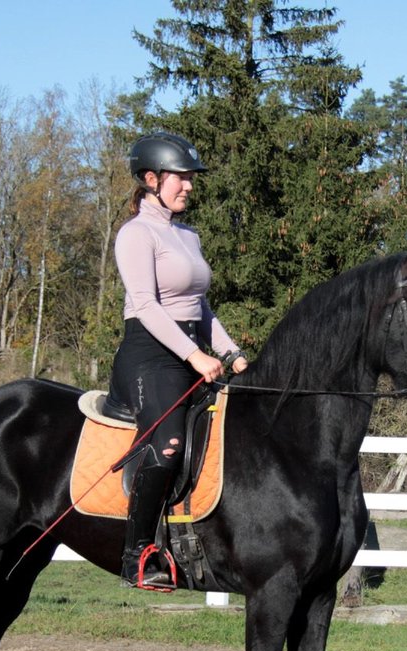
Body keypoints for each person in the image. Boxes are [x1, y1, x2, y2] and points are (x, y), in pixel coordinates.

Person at [107, 132, 249, 590]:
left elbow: (200, 309)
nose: (189, 185)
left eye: (190, 178)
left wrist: (231, 353)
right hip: (148, 355)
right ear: (151, 179)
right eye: (181, 178)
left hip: (192, 351)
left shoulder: (188, 235)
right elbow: (146, 306)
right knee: (168, 444)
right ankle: (136, 554)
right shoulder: (135, 234)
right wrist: (193, 355)